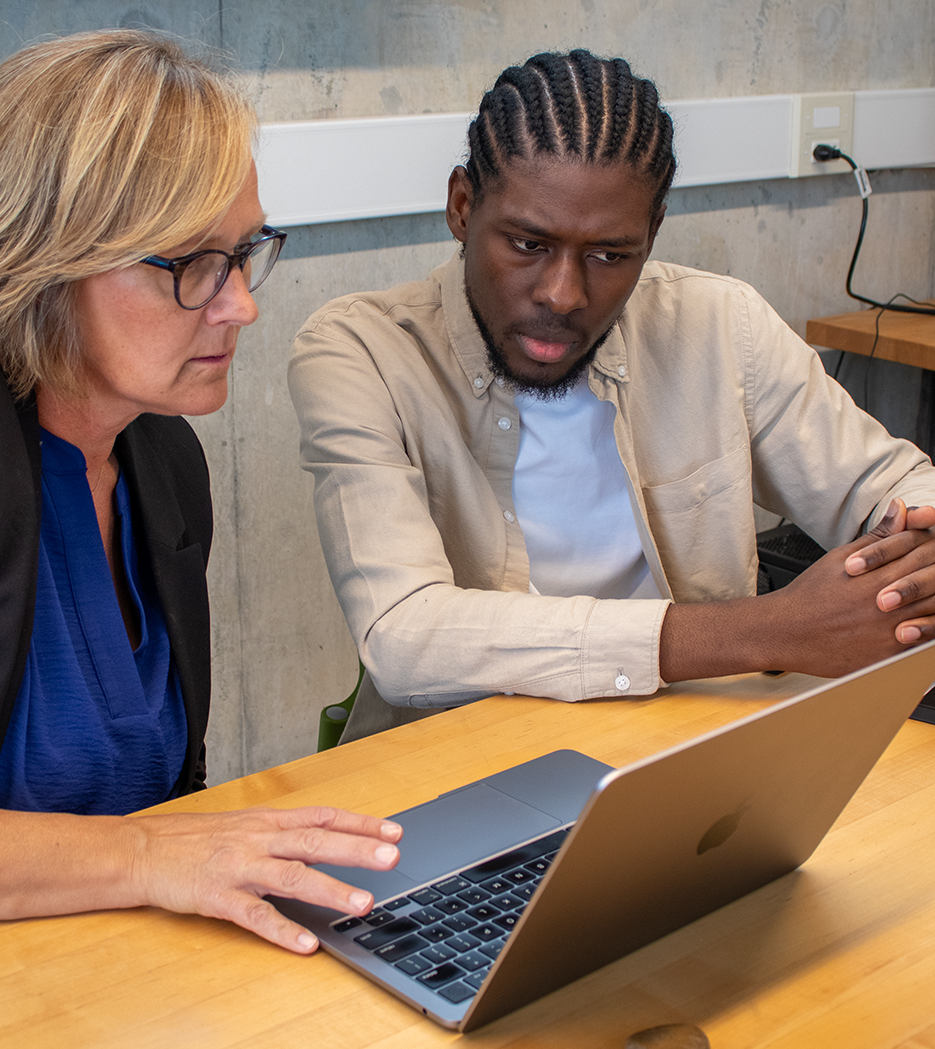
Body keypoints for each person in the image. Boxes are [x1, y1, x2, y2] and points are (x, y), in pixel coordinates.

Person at [0, 30, 401, 950]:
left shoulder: (158, 454)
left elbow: (170, 801)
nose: (239, 303)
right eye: (192, 264)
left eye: (246, 252)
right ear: (39, 261)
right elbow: (151, 842)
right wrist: (143, 858)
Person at [288, 49, 935, 740]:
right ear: (462, 205)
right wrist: (768, 632)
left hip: (691, 748)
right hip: (456, 763)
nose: (562, 294)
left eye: (608, 256)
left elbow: (890, 486)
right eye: (528, 244)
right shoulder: (358, 352)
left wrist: (916, 549)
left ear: (652, 233)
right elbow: (406, 637)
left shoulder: (722, 324)